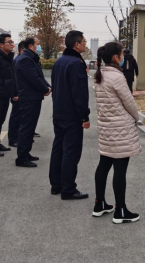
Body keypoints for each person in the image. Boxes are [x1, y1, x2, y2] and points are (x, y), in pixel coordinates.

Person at [94, 42, 141, 223]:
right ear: (116, 57)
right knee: (120, 169)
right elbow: (129, 103)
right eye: (121, 55)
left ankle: (99, 204)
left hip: (106, 127)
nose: (122, 58)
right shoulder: (117, 77)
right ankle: (120, 210)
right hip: (121, 128)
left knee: (104, 164)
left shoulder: (100, 75)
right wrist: (136, 118)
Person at [49, 31, 90, 200]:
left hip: (59, 113)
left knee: (58, 149)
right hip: (71, 116)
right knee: (71, 152)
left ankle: (56, 185)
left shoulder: (59, 62)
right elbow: (79, 95)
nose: (85, 44)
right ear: (77, 44)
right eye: (84, 41)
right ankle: (68, 189)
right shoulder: (76, 64)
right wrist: (84, 117)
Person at [14, 37, 51, 168]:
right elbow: (33, 78)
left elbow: (39, 76)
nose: (39, 46)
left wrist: (48, 87)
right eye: (37, 44)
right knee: (26, 127)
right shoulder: (25, 59)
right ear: (30, 46)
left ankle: (26, 153)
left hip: (34, 97)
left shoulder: (31, 58)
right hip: (28, 97)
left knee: (30, 127)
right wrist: (45, 89)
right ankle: (22, 158)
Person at [8, 41, 24, 148]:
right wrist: (14, 93)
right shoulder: (17, 61)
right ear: (22, 50)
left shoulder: (21, 60)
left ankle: (18, 137)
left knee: (20, 116)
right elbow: (14, 79)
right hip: (17, 93)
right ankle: (13, 139)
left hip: (21, 92)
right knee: (16, 116)